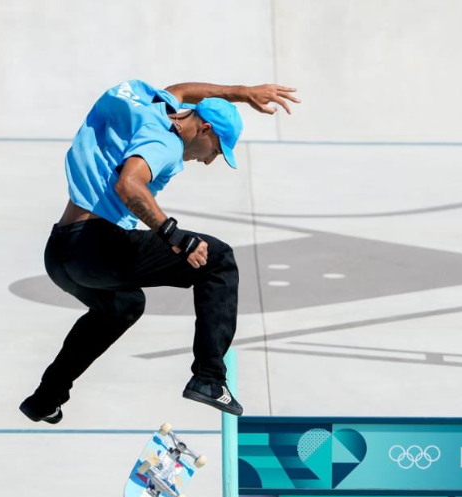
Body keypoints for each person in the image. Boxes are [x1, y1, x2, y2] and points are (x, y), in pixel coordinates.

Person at [20, 78, 299, 423]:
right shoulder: (163, 143)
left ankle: (46, 397)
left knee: (124, 305)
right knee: (218, 260)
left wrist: (241, 94)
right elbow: (129, 184)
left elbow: (181, 89)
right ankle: (209, 378)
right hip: (95, 247)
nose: (209, 161)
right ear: (203, 129)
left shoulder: (152, 103)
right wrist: (174, 235)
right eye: (216, 149)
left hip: (61, 253)